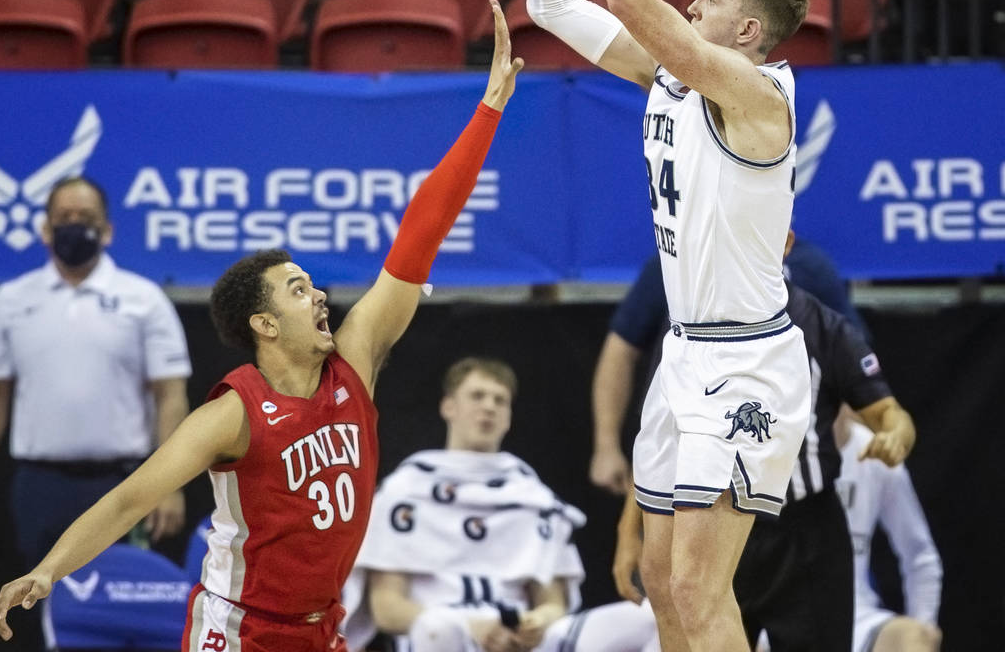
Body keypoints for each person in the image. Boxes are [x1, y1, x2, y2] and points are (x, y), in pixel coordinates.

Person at [0, 0, 525, 651]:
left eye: (314, 285)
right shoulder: (234, 412)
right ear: (265, 323)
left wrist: (489, 111)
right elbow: (131, 499)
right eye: (299, 290)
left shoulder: (352, 361)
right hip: (238, 630)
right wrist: (49, 570)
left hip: (323, 627)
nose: (320, 297)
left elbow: (420, 235)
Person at [537, 0, 818, 651]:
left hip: (746, 367)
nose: (695, 1)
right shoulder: (675, 75)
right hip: (685, 353)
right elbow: (553, 4)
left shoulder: (762, 96)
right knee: (660, 585)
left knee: (699, 592)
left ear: (747, 32)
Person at [606, 238, 919, 651]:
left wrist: (895, 434)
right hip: (719, 522)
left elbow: (890, 412)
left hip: (806, 529)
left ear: (784, 244)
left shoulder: (821, 324)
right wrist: (630, 533)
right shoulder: (690, 325)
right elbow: (661, 445)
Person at [343, 356, 659, 652]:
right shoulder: (405, 492)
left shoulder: (532, 496)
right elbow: (386, 609)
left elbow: (553, 604)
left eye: (500, 400)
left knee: (650, 618)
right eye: (477, 396)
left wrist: (539, 621)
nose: (489, 407)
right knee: (435, 628)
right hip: (445, 633)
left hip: (523, 640)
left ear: (509, 417)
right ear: (448, 406)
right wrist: (471, 625)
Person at [0, 176, 192, 570]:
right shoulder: (12, 301)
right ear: (46, 230)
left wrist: (169, 485)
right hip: (39, 486)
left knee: (121, 607)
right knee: (35, 605)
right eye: (64, 216)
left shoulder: (144, 300)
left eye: (85, 216)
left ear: (108, 230)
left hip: (122, 484)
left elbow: (170, 396)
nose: (74, 224)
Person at [590, 231, 867, 496]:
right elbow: (621, 348)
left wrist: (846, 420)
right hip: (693, 450)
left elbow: (853, 355)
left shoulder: (810, 270)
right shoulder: (679, 264)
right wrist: (606, 445)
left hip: (789, 460)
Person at [835, 408, 943, 652]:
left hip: (858, 619)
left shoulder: (874, 452)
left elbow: (919, 553)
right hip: (782, 616)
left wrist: (924, 624)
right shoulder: (775, 447)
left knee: (915, 638)